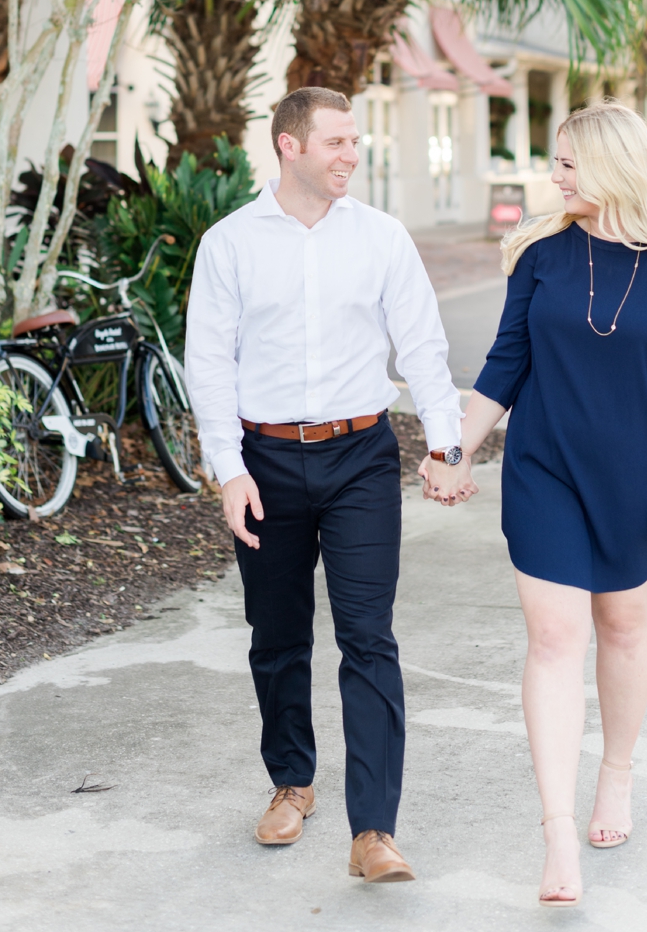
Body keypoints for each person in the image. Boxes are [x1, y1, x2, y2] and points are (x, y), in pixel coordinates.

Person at [445, 101, 647, 908]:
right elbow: (505, 362)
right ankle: (556, 832)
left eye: (568, 163)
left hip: (637, 476)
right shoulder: (540, 254)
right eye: (556, 162)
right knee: (554, 638)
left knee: (622, 627)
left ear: (613, 167)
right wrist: (457, 450)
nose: (555, 177)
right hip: (543, 467)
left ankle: (616, 773)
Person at [187, 86, 467, 883]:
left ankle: (373, 830)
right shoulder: (230, 243)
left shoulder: (381, 236)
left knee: (368, 636)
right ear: (290, 144)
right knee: (277, 634)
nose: (352, 153)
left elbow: (422, 344)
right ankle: (292, 781)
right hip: (265, 460)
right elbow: (208, 363)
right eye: (337, 140)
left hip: (361, 457)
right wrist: (228, 470)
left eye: (355, 140)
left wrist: (446, 442)